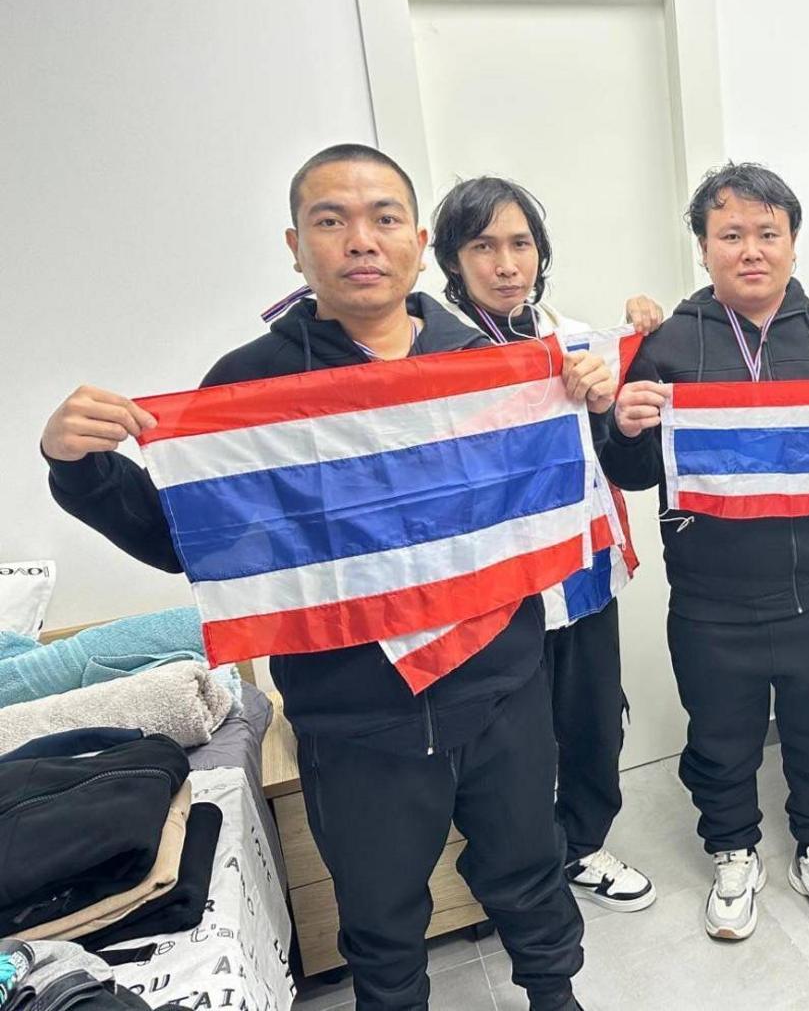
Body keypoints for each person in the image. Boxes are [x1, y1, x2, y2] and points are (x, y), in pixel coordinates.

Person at [40, 145, 591, 1011]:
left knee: (530, 870)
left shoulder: (484, 360)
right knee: (379, 918)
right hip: (354, 713)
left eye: (383, 219)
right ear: (297, 246)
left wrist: (583, 393)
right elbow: (192, 545)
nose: (360, 240)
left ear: (417, 241)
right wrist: (79, 468)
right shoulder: (250, 384)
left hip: (502, 683)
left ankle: (556, 996)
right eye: (332, 221)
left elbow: (547, 500)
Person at [597, 162, 809, 943]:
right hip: (711, 598)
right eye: (731, 235)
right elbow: (638, 473)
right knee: (720, 739)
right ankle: (734, 850)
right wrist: (628, 425)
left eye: (767, 234)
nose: (751, 250)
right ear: (704, 249)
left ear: (792, 242)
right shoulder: (669, 343)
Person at [430, 174, 659, 913]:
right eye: (483, 246)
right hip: (497, 589)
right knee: (511, 748)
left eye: (520, 243)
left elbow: (628, 453)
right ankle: (522, 873)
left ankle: (585, 846)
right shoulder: (431, 356)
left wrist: (610, 396)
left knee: (593, 720)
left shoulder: (577, 336)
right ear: (453, 260)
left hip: (582, 570)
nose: (506, 264)